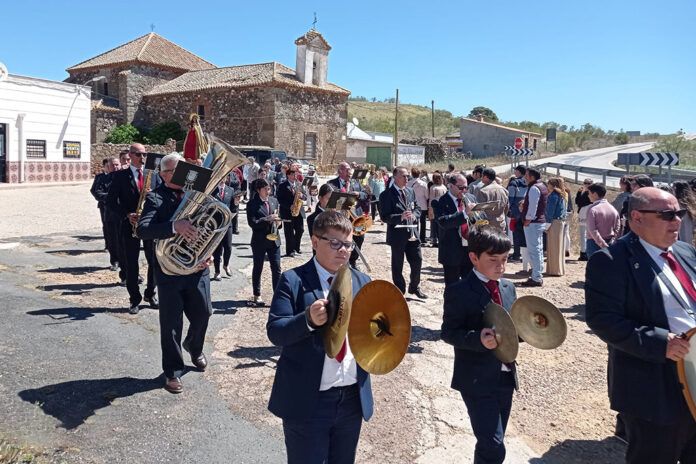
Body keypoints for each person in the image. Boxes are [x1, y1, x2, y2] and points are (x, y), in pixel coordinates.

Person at [585, 187, 696, 464]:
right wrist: (662, 343)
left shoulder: (686, 252)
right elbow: (603, 320)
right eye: (667, 214)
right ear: (636, 217)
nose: (677, 221)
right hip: (655, 384)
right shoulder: (611, 261)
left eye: (679, 213)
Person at [266, 211, 373, 464]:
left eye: (348, 244)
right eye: (334, 243)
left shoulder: (363, 281)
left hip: (350, 400)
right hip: (308, 401)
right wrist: (307, 320)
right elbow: (276, 331)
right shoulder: (292, 280)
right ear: (315, 242)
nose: (343, 251)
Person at [441, 227, 518, 464]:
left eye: (505, 259)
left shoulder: (508, 288)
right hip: (475, 380)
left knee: (492, 441)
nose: (501, 266)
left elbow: (512, 329)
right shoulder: (459, 291)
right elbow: (449, 332)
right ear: (474, 258)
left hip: (505, 377)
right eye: (493, 260)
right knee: (493, 446)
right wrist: (478, 339)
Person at [136, 153, 211, 394]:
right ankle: (172, 372)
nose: (184, 175)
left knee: (204, 312)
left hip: (196, 268)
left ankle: (194, 346)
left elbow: (213, 224)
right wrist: (173, 227)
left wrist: (207, 252)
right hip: (169, 271)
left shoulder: (196, 195)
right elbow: (142, 229)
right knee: (171, 324)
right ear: (164, 174)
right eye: (177, 171)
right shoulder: (155, 197)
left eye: (185, 170)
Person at [105, 143, 160, 313]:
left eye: (145, 155)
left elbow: (161, 199)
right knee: (131, 263)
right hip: (129, 224)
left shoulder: (154, 175)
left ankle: (150, 293)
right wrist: (127, 214)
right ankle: (134, 299)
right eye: (138, 154)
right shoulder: (120, 176)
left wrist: (153, 194)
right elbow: (111, 202)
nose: (142, 158)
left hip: (150, 224)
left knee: (154, 261)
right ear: (130, 155)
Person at [378, 166, 427, 299]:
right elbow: (384, 216)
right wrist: (400, 216)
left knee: (417, 260)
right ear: (395, 178)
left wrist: (415, 215)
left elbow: (417, 207)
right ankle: (400, 289)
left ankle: (414, 286)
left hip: (412, 232)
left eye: (408, 176)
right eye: (403, 176)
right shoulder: (386, 195)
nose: (407, 179)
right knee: (397, 264)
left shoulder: (410, 191)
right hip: (398, 235)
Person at [435, 173, 475, 285]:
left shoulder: (471, 198)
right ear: (450, 186)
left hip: (470, 250)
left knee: (470, 286)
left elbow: (482, 218)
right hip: (452, 252)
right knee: (452, 287)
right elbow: (444, 222)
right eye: (461, 188)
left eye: (466, 187)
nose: (464, 190)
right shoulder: (440, 201)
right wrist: (464, 214)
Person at [328, 162, 369, 269]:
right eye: (347, 170)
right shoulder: (331, 184)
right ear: (340, 171)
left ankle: (353, 260)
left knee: (360, 238)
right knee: (342, 239)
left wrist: (359, 194)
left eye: (350, 170)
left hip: (355, 216)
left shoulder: (355, 183)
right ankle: (341, 261)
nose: (349, 172)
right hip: (340, 217)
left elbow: (365, 195)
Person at [247, 179, 282, 306]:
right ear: (258, 190)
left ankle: (277, 296)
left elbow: (279, 219)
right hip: (259, 241)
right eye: (265, 189)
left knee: (277, 268)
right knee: (258, 267)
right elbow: (253, 223)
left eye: (269, 189)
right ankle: (257, 295)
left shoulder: (274, 201)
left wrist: (279, 222)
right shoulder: (252, 204)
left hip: (274, 240)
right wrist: (267, 219)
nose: (268, 191)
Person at [518, 168, 548, 287]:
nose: (525, 177)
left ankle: (536, 277)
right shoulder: (542, 186)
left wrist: (528, 219)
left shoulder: (534, 188)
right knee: (538, 249)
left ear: (531, 177)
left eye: (526, 175)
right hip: (538, 222)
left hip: (533, 223)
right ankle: (537, 274)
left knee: (534, 250)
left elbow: (533, 206)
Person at [91, 157, 120, 269]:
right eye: (113, 165)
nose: (115, 167)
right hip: (109, 211)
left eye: (117, 164)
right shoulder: (103, 178)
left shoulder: (126, 177)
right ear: (108, 166)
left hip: (124, 213)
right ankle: (115, 260)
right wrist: (111, 198)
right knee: (112, 237)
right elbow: (96, 192)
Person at [211, 179, 238, 281]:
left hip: (227, 223)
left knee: (228, 247)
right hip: (216, 223)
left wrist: (235, 203)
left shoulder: (230, 190)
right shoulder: (212, 190)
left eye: (225, 177)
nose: (222, 179)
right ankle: (217, 271)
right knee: (217, 249)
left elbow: (233, 208)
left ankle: (226, 265)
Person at [585, 183, 620, 257]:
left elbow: (592, 230)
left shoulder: (592, 209)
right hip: (610, 242)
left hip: (594, 243)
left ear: (594, 194)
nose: (588, 196)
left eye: (589, 193)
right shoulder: (613, 209)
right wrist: (613, 239)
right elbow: (617, 226)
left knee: (594, 267)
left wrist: (602, 244)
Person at [277, 168, 306, 257]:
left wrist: (302, 196)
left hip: (299, 210)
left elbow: (305, 196)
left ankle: (296, 247)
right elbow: (280, 199)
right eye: (293, 175)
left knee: (300, 230)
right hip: (287, 212)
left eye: (296, 175)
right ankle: (290, 250)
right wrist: (289, 206)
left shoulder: (299, 184)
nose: (295, 176)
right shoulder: (282, 186)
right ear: (288, 175)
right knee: (289, 232)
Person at [544, 177, 568, 276]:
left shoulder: (553, 196)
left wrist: (546, 225)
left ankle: (554, 270)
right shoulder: (561, 194)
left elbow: (550, 211)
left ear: (552, 185)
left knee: (553, 247)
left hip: (554, 222)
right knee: (559, 247)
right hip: (560, 222)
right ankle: (559, 269)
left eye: (548, 184)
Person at [476, 168, 509, 232]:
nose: (481, 178)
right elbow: (506, 207)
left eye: (482, 176)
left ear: (485, 177)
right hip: (501, 223)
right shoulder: (504, 190)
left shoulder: (483, 191)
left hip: (488, 226)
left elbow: (479, 211)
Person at [506, 165, 527, 262]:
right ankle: (525, 255)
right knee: (525, 234)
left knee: (516, 233)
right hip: (526, 211)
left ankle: (516, 254)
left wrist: (508, 209)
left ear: (518, 172)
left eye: (516, 171)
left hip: (516, 212)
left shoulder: (513, 183)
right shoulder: (528, 182)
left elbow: (510, 198)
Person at [408, 167, 430, 243]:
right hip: (422, 205)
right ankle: (422, 238)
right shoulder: (424, 184)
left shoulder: (408, 183)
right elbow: (427, 196)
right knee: (423, 222)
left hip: (413, 205)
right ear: (419, 174)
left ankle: (415, 236)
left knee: (415, 221)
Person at [575, 179, 594, 261]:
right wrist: (579, 193)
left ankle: (585, 253)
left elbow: (580, 202)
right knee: (584, 234)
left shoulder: (590, 192)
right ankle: (584, 252)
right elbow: (577, 201)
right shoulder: (583, 191)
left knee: (587, 234)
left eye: (588, 183)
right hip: (583, 212)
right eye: (585, 183)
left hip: (586, 212)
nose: (586, 185)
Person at [429, 172, 448, 247]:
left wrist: (430, 209)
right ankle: (441, 239)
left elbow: (431, 199)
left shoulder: (433, 188)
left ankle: (434, 239)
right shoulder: (444, 187)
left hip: (435, 207)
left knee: (434, 224)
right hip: (443, 207)